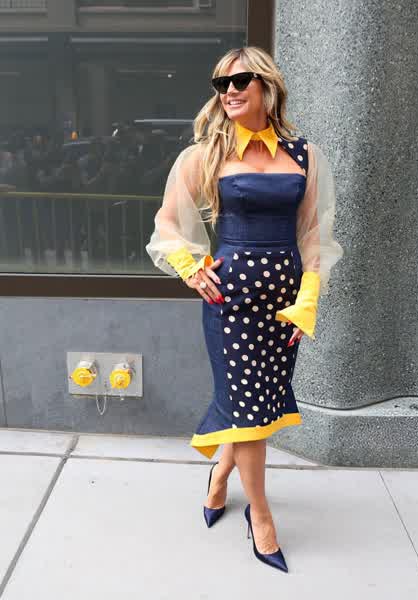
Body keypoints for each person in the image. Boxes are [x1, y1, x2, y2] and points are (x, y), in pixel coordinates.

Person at [145, 46, 343, 573]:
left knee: (258, 407)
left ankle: (218, 478)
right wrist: (191, 268)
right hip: (230, 303)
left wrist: (306, 303)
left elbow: (314, 235)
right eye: (221, 84)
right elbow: (168, 223)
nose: (229, 91)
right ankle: (261, 516)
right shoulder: (206, 154)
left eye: (240, 81)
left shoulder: (304, 155)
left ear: (266, 86)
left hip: (284, 305)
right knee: (250, 411)